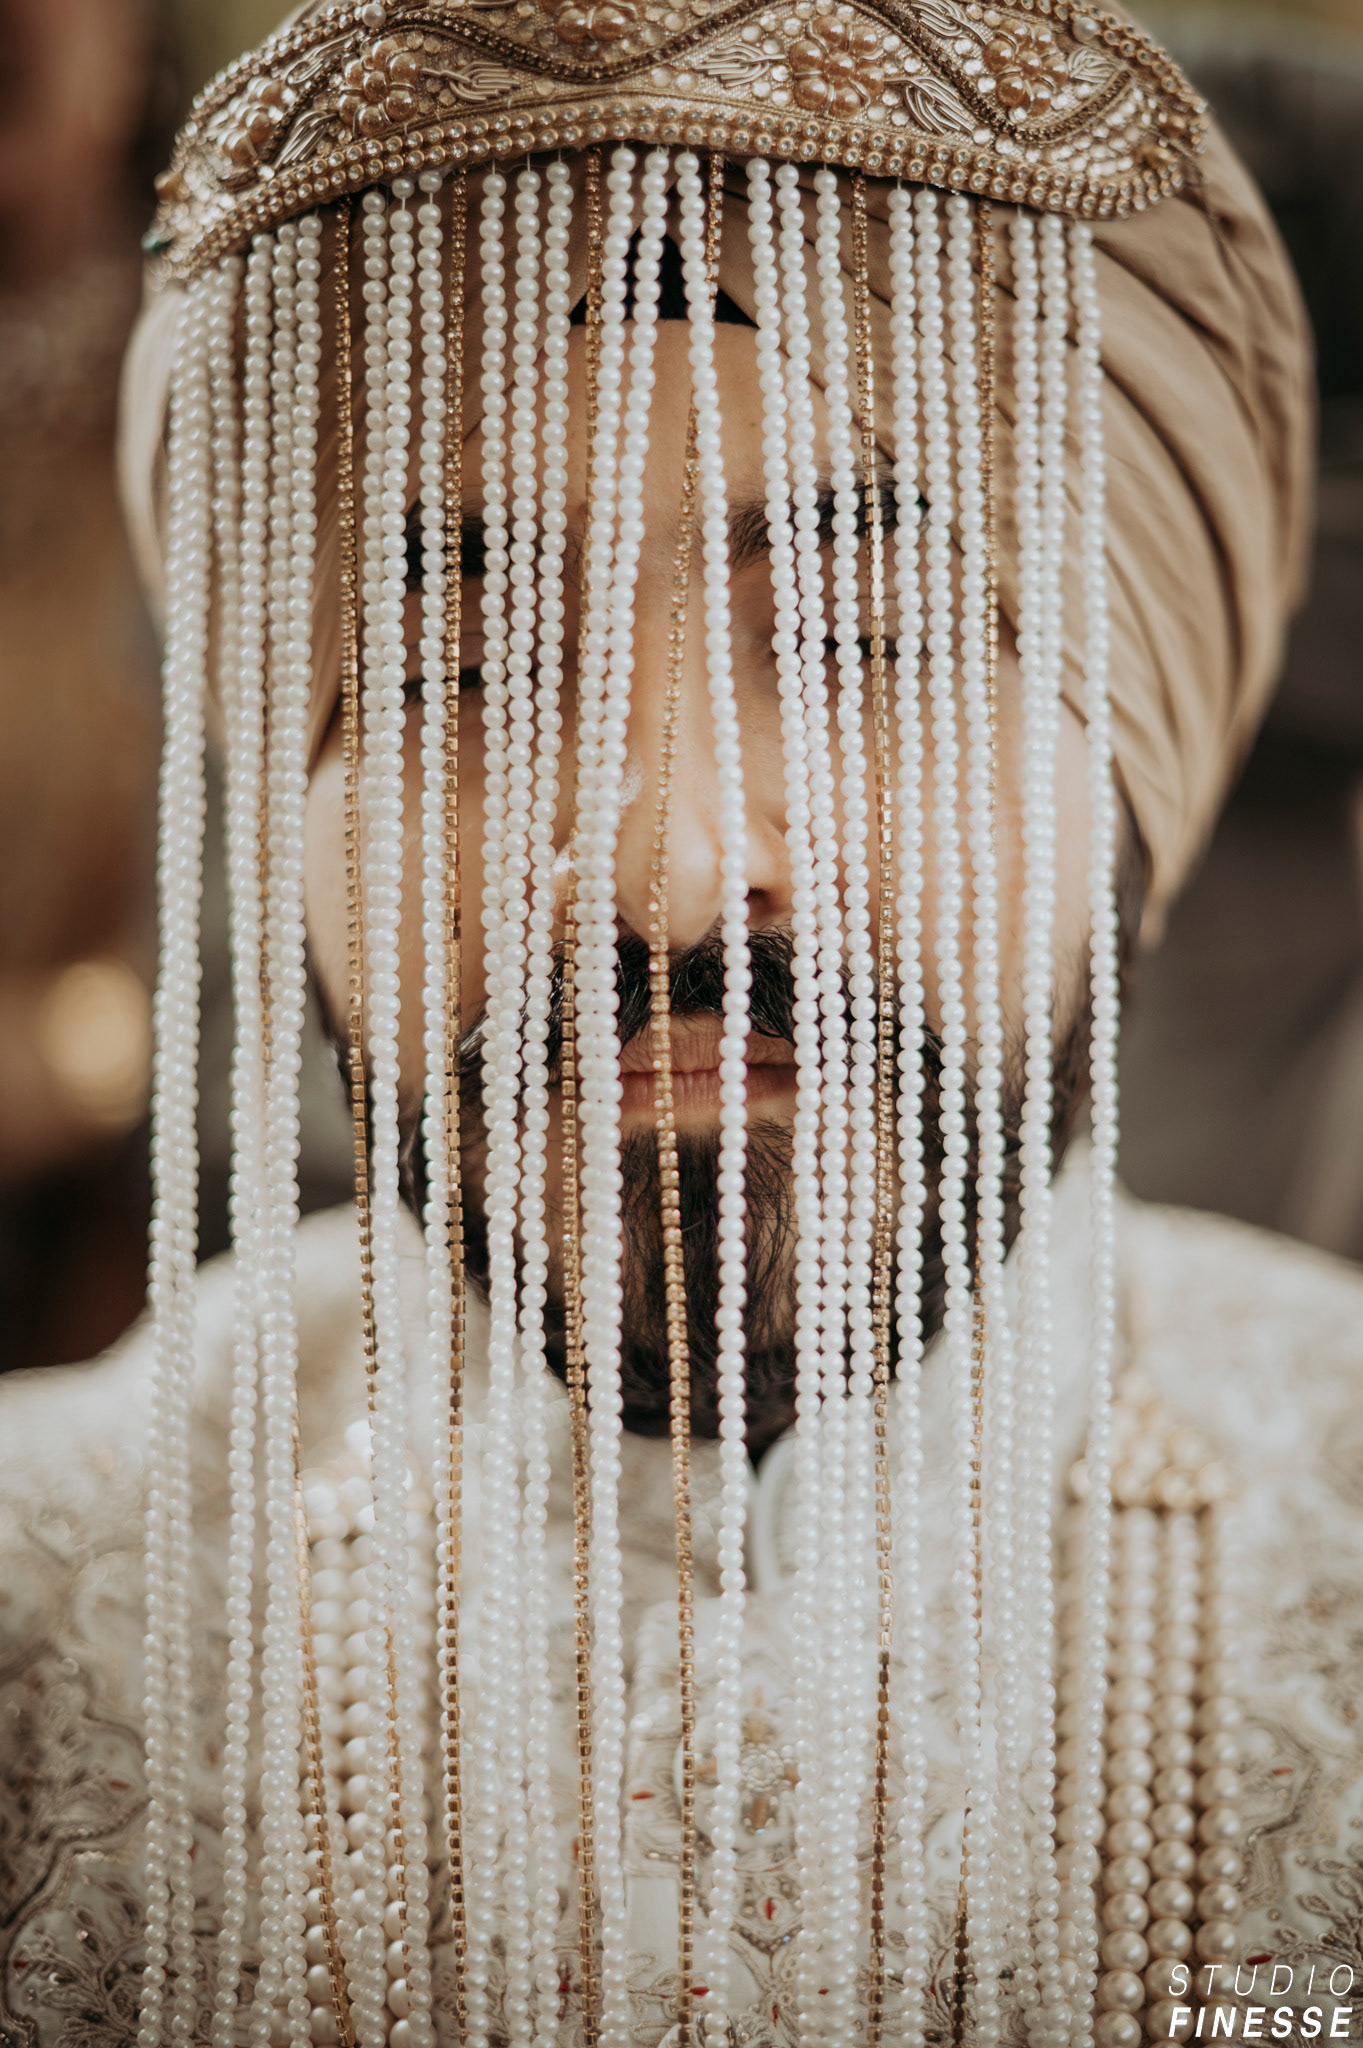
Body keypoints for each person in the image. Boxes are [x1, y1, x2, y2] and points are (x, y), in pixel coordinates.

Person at [2, 2, 1358, 2043]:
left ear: (1143, 765)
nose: (672, 873)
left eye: (874, 634)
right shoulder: (39, 1610)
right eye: (458, 664)